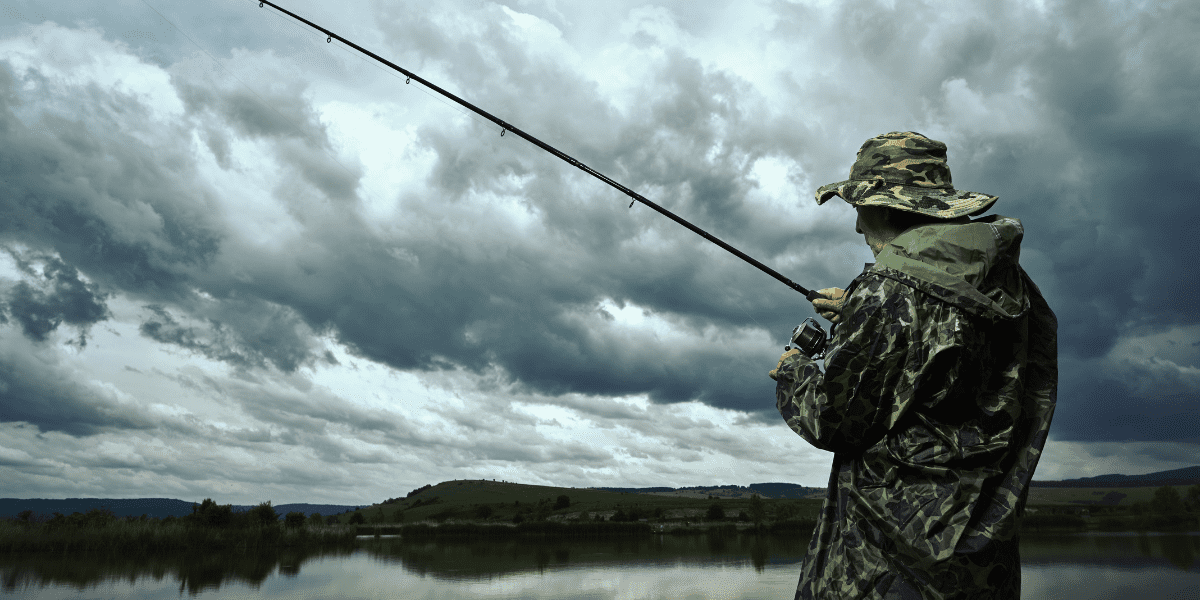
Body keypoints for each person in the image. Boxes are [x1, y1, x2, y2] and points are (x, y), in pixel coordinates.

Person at [768, 131, 1057, 599]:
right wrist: (860, 312)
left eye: (859, 208)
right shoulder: (1008, 280)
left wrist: (793, 370)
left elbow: (832, 420)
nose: (857, 227)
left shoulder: (889, 292)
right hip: (981, 565)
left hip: (889, 568)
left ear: (884, 207)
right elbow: (946, 352)